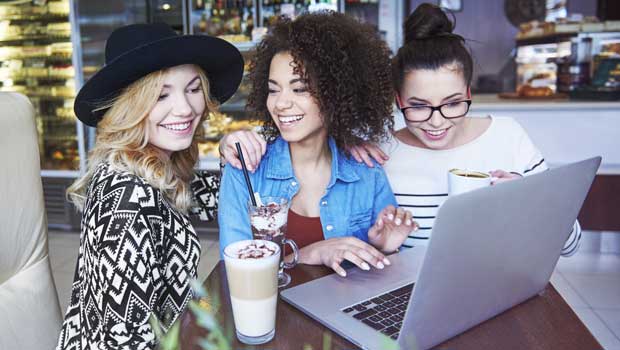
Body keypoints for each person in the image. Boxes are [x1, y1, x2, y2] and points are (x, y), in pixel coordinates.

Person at [220, 4, 580, 256]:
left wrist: (531, 202)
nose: (436, 121)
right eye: (419, 107)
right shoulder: (375, 150)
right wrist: (232, 140)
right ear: (397, 101)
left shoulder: (508, 136)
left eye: (453, 103)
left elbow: (568, 242)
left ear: (470, 94)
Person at [56, 23, 244, 350]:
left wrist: (235, 149)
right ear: (130, 105)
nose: (185, 109)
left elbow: (220, 201)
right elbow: (126, 341)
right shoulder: (127, 196)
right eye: (161, 95)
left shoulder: (156, 164)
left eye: (193, 88)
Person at [218, 12, 417, 278]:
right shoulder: (246, 172)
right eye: (273, 89)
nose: (280, 104)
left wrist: (383, 248)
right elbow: (236, 273)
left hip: (340, 316)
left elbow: (379, 276)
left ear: (335, 93)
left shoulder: (365, 170)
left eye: (299, 89)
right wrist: (308, 254)